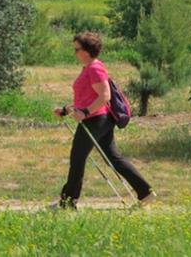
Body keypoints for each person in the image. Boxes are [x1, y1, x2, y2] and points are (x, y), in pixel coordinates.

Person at [53, 32, 154, 209]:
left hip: (95, 119)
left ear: (86, 51)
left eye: (77, 49)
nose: (74, 53)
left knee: (77, 158)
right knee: (113, 158)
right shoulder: (89, 68)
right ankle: (145, 192)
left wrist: (85, 112)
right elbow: (87, 96)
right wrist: (67, 109)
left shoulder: (94, 68)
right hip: (98, 118)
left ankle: (68, 202)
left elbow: (105, 95)